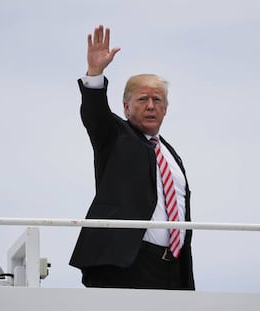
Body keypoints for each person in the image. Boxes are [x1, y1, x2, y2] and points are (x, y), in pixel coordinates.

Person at [69, 25, 194, 290]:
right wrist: (95, 73)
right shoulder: (115, 136)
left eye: (157, 100)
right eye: (142, 99)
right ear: (126, 106)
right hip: (126, 264)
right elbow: (95, 114)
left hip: (173, 269)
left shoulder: (172, 156)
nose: (151, 106)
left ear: (166, 109)